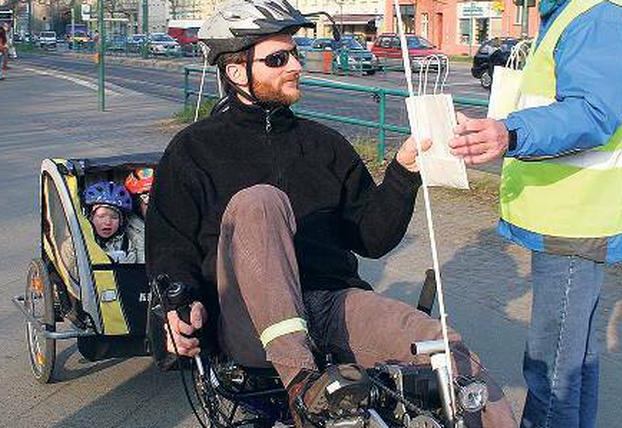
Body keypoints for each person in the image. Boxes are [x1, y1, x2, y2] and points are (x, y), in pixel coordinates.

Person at [146, 1, 516, 426]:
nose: (296, 65)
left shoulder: (324, 144)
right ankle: (303, 384)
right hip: (247, 319)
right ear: (236, 72)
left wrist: (404, 171)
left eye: (295, 54)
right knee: (260, 202)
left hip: (330, 303)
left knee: (449, 357)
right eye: (278, 58)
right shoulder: (193, 150)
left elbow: (372, 239)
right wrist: (183, 303)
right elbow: (170, 246)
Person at [447, 0, 622, 427]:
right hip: (573, 214)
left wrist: (510, 131)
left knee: (552, 368)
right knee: (574, 359)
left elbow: (593, 112)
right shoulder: (573, 12)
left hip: (576, 216)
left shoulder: (600, 15)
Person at [81, 181, 143, 263]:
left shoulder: (129, 245)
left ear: (121, 221)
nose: (107, 222)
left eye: (114, 217)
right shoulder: (79, 242)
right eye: (101, 216)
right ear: (90, 217)